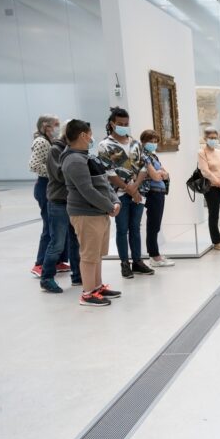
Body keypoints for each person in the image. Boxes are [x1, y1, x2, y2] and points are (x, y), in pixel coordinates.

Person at [62, 119, 122, 306]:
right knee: (89, 255)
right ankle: (87, 294)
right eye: (89, 134)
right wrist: (108, 206)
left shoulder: (86, 156)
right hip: (86, 213)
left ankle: (97, 287)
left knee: (96, 254)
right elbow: (86, 190)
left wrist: (115, 200)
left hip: (99, 211)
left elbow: (102, 181)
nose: (91, 137)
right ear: (82, 135)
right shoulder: (73, 159)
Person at [97, 107, 155, 278]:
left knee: (135, 228)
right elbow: (109, 172)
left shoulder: (136, 143)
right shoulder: (105, 145)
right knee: (122, 229)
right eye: (120, 124)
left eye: (126, 124)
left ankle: (137, 261)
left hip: (138, 193)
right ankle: (124, 263)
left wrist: (135, 187)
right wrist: (129, 189)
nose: (123, 126)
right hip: (119, 194)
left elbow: (144, 166)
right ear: (112, 124)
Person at [40, 121, 81, 293]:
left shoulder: (76, 149)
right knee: (57, 242)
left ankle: (78, 276)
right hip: (58, 202)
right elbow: (59, 174)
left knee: (75, 241)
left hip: (73, 202)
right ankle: (46, 278)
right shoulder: (56, 149)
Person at [30, 114, 69, 278]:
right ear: (45, 126)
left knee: (59, 226)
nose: (58, 128)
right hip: (45, 186)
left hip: (53, 185)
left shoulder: (50, 142)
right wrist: (55, 173)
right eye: (56, 124)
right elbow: (34, 165)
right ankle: (40, 263)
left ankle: (58, 260)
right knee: (50, 226)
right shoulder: (41, 142)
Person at [140, 130, 174, 267]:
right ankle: (154, 256)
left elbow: (166, 174)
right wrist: (159, 174)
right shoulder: (144, 156)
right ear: (143, 141)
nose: (153, 144)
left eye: (155, 141)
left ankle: (156, 254)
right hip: (153, 193)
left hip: (160, 192)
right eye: (150, 141)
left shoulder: (153, 156)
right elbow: (155, 176)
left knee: (156, 225)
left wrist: (161, 173)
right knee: (153, 225)